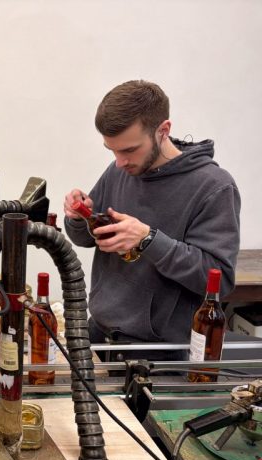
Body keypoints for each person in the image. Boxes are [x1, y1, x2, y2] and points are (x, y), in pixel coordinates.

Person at [63, 80, 240, 362]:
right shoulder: (120, 171)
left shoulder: (213, 187)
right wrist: (79, 216)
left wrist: (148, 239)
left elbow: (218, 279)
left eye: (129, 150)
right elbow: (85, 238)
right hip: (99, 338)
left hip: (160, 358)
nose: (119, 161)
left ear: (163, 130)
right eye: (112, 150)